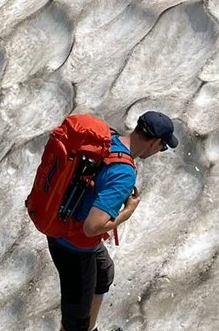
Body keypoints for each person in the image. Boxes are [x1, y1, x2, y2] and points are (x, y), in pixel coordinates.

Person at [47, 111, 179, 331]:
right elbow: (92, 227)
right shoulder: (123, 173)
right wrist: (128, 211)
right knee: (74, 324)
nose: (160, 151)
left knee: (103, 271)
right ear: (155, 143)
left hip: (63, 223)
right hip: (73, 245)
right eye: (163, 147)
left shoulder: (112, 140)